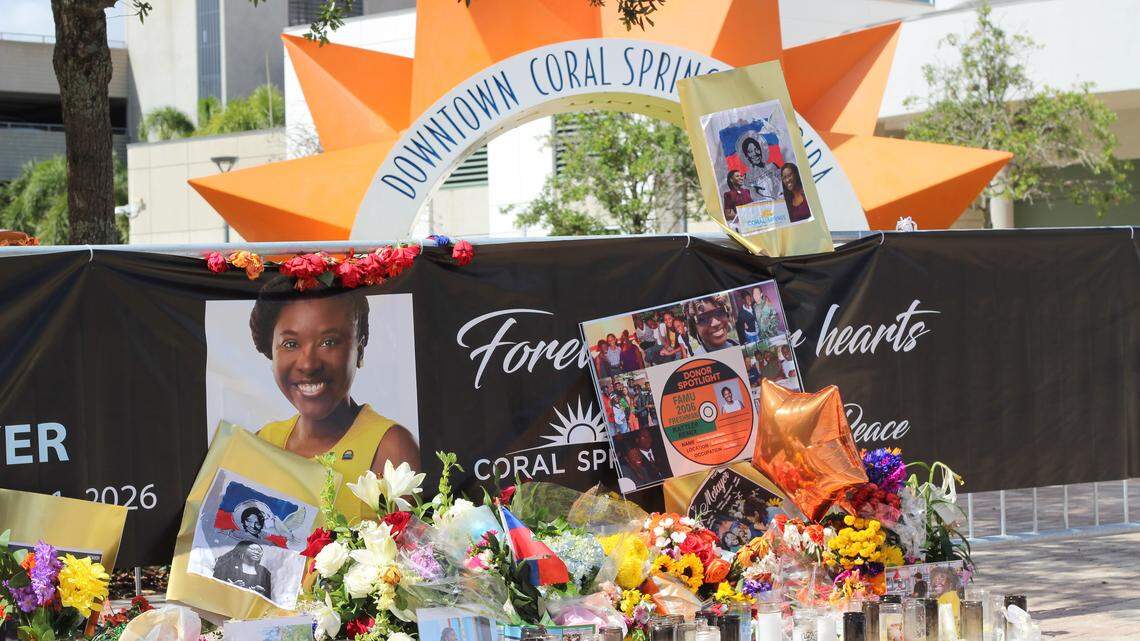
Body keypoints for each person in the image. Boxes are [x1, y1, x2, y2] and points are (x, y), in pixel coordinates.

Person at [250, 283, 419, 520]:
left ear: (359, 350)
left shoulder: (390, 447)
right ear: (271, 352)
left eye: (329, 342)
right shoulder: (263, 443)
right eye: (290, 344)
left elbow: (411, 549)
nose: (308, 364)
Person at [740, 136, 782, 201]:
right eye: (750, 151)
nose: (755, 153)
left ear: (760, 150)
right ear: (746, 156)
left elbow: (783, 186)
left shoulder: (772, 166)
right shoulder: (746, 178)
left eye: (757, 149)